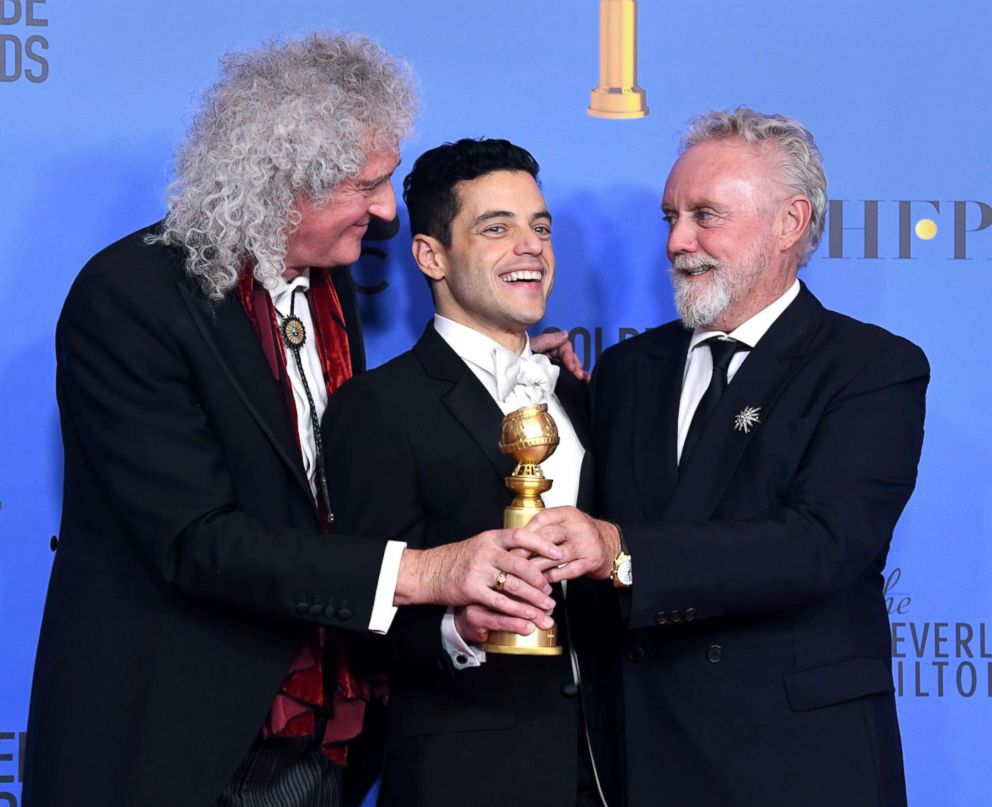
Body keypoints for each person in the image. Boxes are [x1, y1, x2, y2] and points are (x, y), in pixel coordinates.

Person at [23, 35, 576, 807]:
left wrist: (519, 373)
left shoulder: (329, 291)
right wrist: (421, 572)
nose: (387, 210)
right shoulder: (131, 297)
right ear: (286, 184)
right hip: (183, 742)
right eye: (368, 184)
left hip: (324, 739)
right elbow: (195, 539)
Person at [528, 107, 929, 807]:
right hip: (642, 762)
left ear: (789, 223)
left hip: (795, 768)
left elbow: (820, 544)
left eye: (705, 215)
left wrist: (625, 553)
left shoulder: (871, 367)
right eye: (670, 217)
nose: (677, 241)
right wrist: (528, 385)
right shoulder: (626, 369)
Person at [322, 138, 620, 807]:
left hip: (610, 770)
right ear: (430, 255)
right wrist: (459, 630)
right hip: (471, 777)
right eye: (497, 228)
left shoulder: (579, 395)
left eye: (540, 227)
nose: (531, 247)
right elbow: (354, 615)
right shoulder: (378, 408)